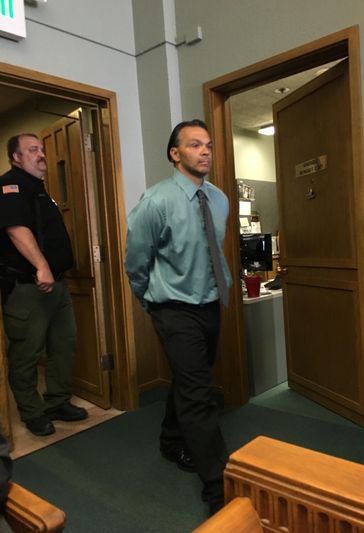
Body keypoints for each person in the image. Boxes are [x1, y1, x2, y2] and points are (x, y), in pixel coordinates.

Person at [125, 119, 232, 515]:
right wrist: (149, 300)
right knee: (200, 393)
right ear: (175, 154)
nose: (205, 151)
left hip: (209, 304)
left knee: (193, 381)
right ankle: (218, 486)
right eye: (194, 145)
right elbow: (136, 260)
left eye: (208, 145)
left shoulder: (218, 199)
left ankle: (172, 441)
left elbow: (213, 249)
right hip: (173, 309)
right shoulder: (155, 202)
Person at [0, 133, 87, 437]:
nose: (41, 155)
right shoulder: (10, 185)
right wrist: (41, 266)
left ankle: (58, 402)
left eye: (41, 150)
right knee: (26, 353)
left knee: (65, 345)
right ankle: (32, 413)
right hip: (28, 288)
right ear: (16, 158)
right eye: (32, 150)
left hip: (57, 286)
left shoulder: (39, 190)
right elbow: (15, 229)